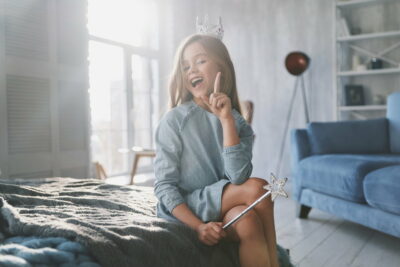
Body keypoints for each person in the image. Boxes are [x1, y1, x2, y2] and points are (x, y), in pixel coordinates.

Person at [154, 34, 279, 267]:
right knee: (259, 188)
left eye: (200, 61)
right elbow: (164, 186)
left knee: (249, 222)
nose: (191, 70)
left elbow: (237, 176)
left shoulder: (238, 124)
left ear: (222, 66)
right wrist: (198, 226)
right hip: (188, 207)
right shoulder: (175, 120)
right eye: (185, 66)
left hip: (223, 207)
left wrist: (226, 121)